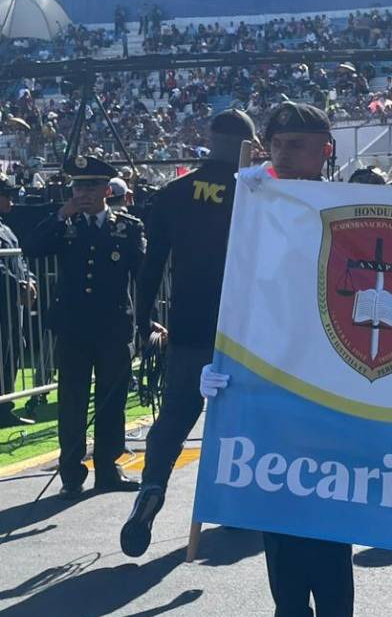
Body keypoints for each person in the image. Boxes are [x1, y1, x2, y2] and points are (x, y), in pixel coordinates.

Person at [199, 102, 355, 617]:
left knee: (325, 516)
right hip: (264, 377)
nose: (283, 153)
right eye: (276, 143)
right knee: (278, 511)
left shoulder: (352, 208)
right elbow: (225, 286)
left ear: (325, 151)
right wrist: (210, 359)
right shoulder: (252, 205)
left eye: (297, 143)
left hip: (332, 382)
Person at [121, 110, 258, 558]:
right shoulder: (255, 194)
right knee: (238, 420)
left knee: (176, 415)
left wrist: (143, 324)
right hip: (244, 330)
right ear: (247, 145)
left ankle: (153, 486)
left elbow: (150, 269)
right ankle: (234, 503)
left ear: (209, 140)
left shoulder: (174, 193)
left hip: (188, 325)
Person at [26, 155, 146, 499]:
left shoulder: (128, 226)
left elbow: (143, 275)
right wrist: (62, 214)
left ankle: (108, 467)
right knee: (73, 401)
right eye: (78, 186)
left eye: (91, 185)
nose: (84, 192)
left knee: (112, 400)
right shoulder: (65, 225)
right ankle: (71, 472)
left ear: (107, 189)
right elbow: (33, 248)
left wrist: (147, 319)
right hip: (74, 328)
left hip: (113, 326)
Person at [0, 176, 34, 428]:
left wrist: (29, 280)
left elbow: (20, 261)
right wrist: (17, 285)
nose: (11, 198)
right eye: (6, 194)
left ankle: (5, 406)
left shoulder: (6, 228)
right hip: (5, 300)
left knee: (11, 352)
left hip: (12, 306)